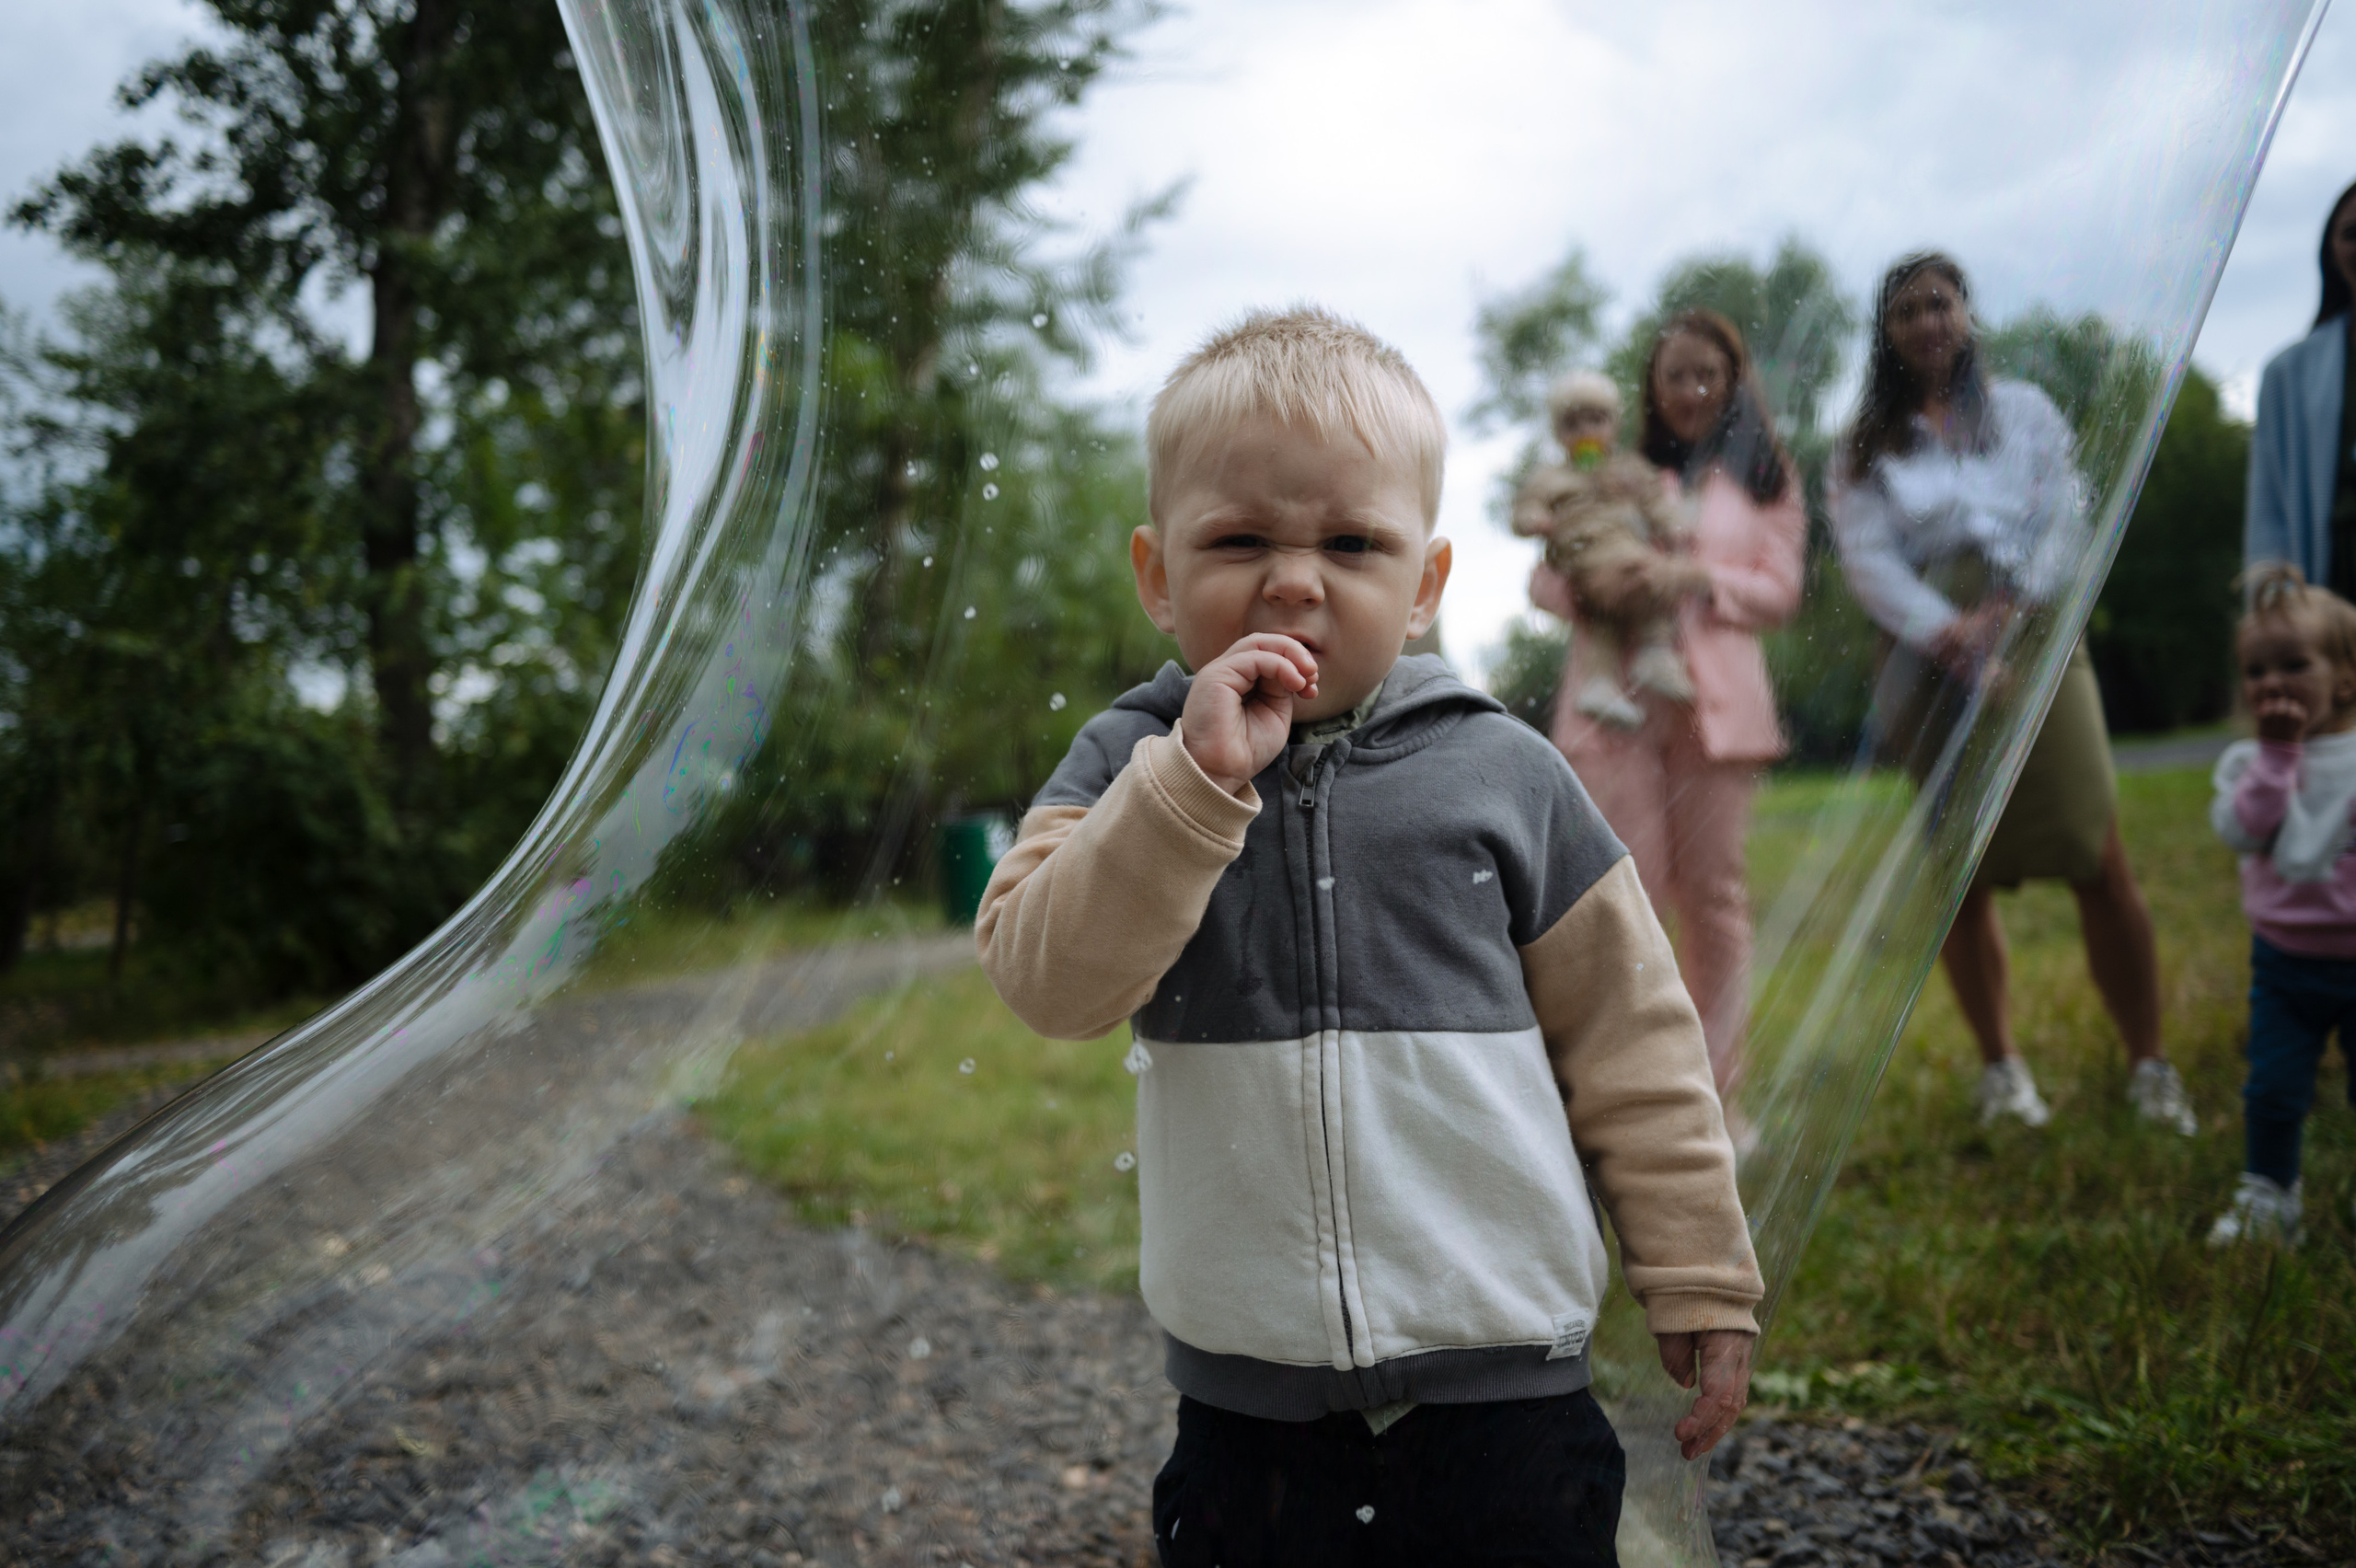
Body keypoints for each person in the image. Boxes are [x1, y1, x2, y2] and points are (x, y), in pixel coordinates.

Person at [975, 306, 1761, 1567]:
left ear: (1425, 588)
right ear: (1158, 575)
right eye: (1239, 540)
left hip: (1508, 1384)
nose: (1294, 579)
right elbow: (1045, 979)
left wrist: (1701, 1271)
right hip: (1249, 1411)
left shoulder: (1505, 772)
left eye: (1352, 541)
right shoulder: (1128, 764)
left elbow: (1635, 1042)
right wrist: (1190, 787)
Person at [1831, 250, 2198, 1134]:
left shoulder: (2026, 411)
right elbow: (1868, 559)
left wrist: (2014, 604)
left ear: (1967, 313)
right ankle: (2004, 1070)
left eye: (1941, 303)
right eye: (1907, 310)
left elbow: (2069, 509)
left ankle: (2149, 1062)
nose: (1927, 322)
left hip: (2033, 633)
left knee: (2095, 840)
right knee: (1961, 870)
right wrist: (1946, 629)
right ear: (1885, 333)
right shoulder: (1863, 444)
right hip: (1923, 655)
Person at [1522, 312, 1805, 1101]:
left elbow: (1781, 590)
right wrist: (1599, 577)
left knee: (1715, 901)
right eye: (1676, 373)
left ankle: (1717, 1092)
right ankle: (1637, 1095)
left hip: (1716, 713)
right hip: (1618, 709)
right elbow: (1542, 583)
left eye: (1708, 372)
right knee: (1626, 899)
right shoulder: (1611, 464)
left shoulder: (1766, 477)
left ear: (1734, 378)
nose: (1692, 389)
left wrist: (1696, 580)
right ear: (1651, 385)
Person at [2206, 566, 2356, 1244]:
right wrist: (2277, 758)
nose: (2273, 683)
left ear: (2345, 678)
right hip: (2285, 963)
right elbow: (2242, 830)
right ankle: (2271, 1199)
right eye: (2257, 670)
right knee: (2272, 1088)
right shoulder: (2247, 762)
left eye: (2295, 664)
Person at [1513, 370, 1692, 730]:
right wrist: (1537, 520)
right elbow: (1524, 511)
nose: (1586, 432)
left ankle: (1601, 682)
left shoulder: (1629, 469)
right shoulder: (1551, 478)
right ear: (1559, 434)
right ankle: (1654, 652)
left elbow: (1655, 502)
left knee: (1607, 614)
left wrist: (1671, 527)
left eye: (1596, 419)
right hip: (1584, 551)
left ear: (1614, 424)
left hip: (1622, 549)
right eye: (1573, 424)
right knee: (1647, 576)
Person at [2246, 178, 2356, 590]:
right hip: (2327, 605)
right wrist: (2275, 606)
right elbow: (2268, 515)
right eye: (2351, 233)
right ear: (2330, 252)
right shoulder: (2286, 375)